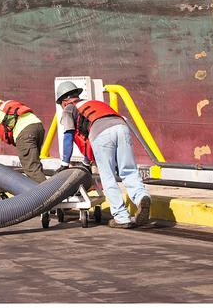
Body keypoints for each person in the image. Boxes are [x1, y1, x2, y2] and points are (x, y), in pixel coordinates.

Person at [55, 81, 152, 229]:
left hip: (101, 132)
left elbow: (68, 136)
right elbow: (88, 139)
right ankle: (141, 197)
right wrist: (86, 162)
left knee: (108, 177)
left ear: (64, 101)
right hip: (121, 127)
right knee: (129, 170)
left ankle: (121, 218)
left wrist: (64, 164)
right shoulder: (94, 103)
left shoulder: (69, 108)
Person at [0, 88, 47, 184]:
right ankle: (46, 192)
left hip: (24, 133)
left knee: (31, 169)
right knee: (35, 165)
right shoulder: (1, 106)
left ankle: (48, 196)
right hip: (37, 127)